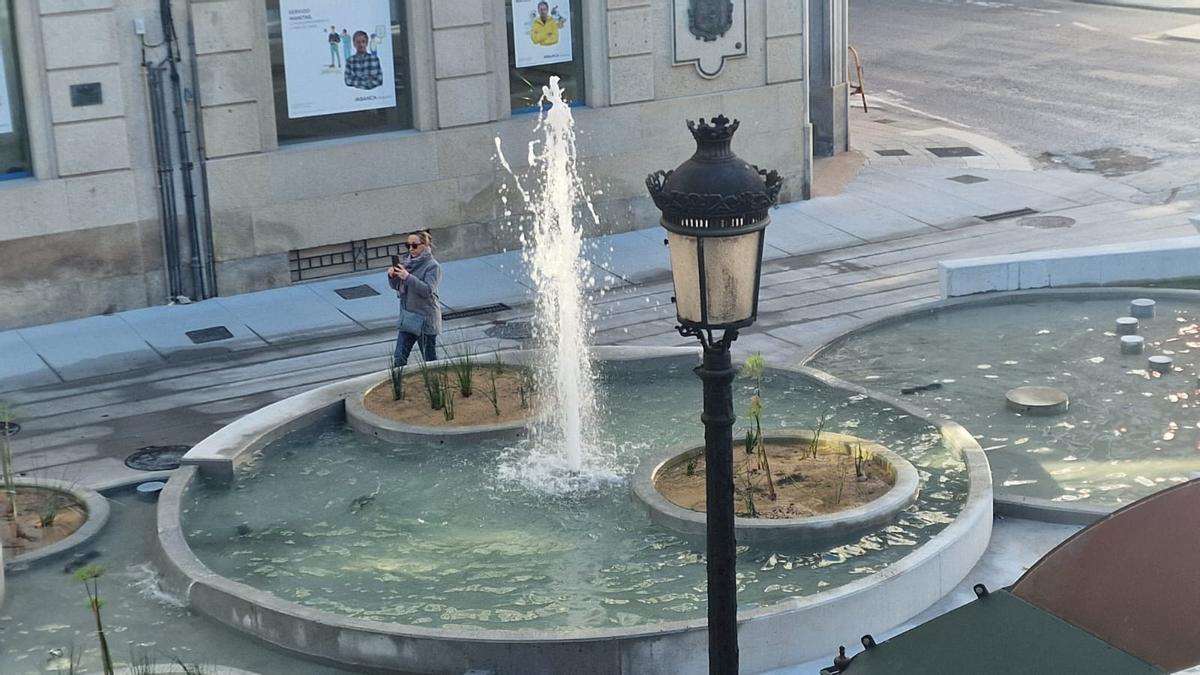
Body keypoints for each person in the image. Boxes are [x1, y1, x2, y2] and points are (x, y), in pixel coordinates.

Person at [388, 230, 442, 365]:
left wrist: (407, 277)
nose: (411, 249)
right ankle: (398, 385)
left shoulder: (433, 266)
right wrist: (392, 277)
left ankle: (434, 384)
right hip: (408, 318)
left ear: (425, 245)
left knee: (430, 361)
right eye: (408, 245)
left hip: (425, 320)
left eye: (414, 245)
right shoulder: (407, 263)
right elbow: (399, 287)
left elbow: (427, 290)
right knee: (399, 358)